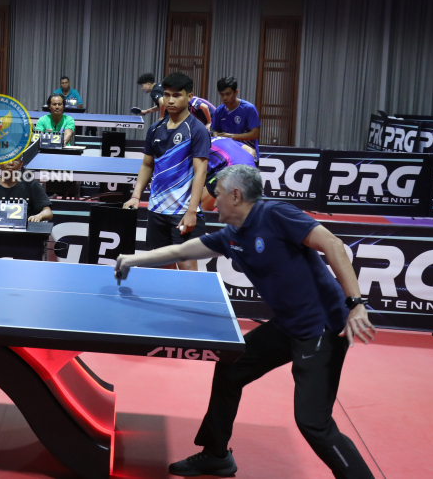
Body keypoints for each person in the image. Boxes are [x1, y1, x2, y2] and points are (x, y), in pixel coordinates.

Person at [115, 165, 376, 479]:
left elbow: (332, 244)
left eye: (218, 195)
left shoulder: (276, 214)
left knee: (314, 423)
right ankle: (216, 455)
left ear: (236, 196)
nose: (213, 202)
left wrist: (355, 304)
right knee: (231, 367)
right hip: (288, 325)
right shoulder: (231, 235)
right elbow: (183, 249)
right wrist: (132, 259)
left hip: (321, 328)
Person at [123, 72, 209, 272]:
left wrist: (191, 212)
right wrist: (136, 196)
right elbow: (147, 165)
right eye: (167, 95)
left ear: (189, 96)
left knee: (187, 269)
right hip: (157, 211)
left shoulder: (196, 130)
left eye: (177, 95)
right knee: (162, 269)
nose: (170, 100)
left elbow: (201, 172)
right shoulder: (155, 129)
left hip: (183, 213)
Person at [212, 76, 261, 160]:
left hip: (248, 154)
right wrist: (216, 136)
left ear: (236, 92)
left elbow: (255, 134)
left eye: (228, 94)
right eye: (221, 94)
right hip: (228, 155)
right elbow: (215, 130)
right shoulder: (219, 111)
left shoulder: (249, 109)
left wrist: (231, 136)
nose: (224, 98)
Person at [201, 137, 257, 211]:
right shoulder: (222, 138)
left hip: (231, 177)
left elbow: (200, 175)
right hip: (252, 175)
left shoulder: (198, 145)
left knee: (204, 208)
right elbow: (251, 150)